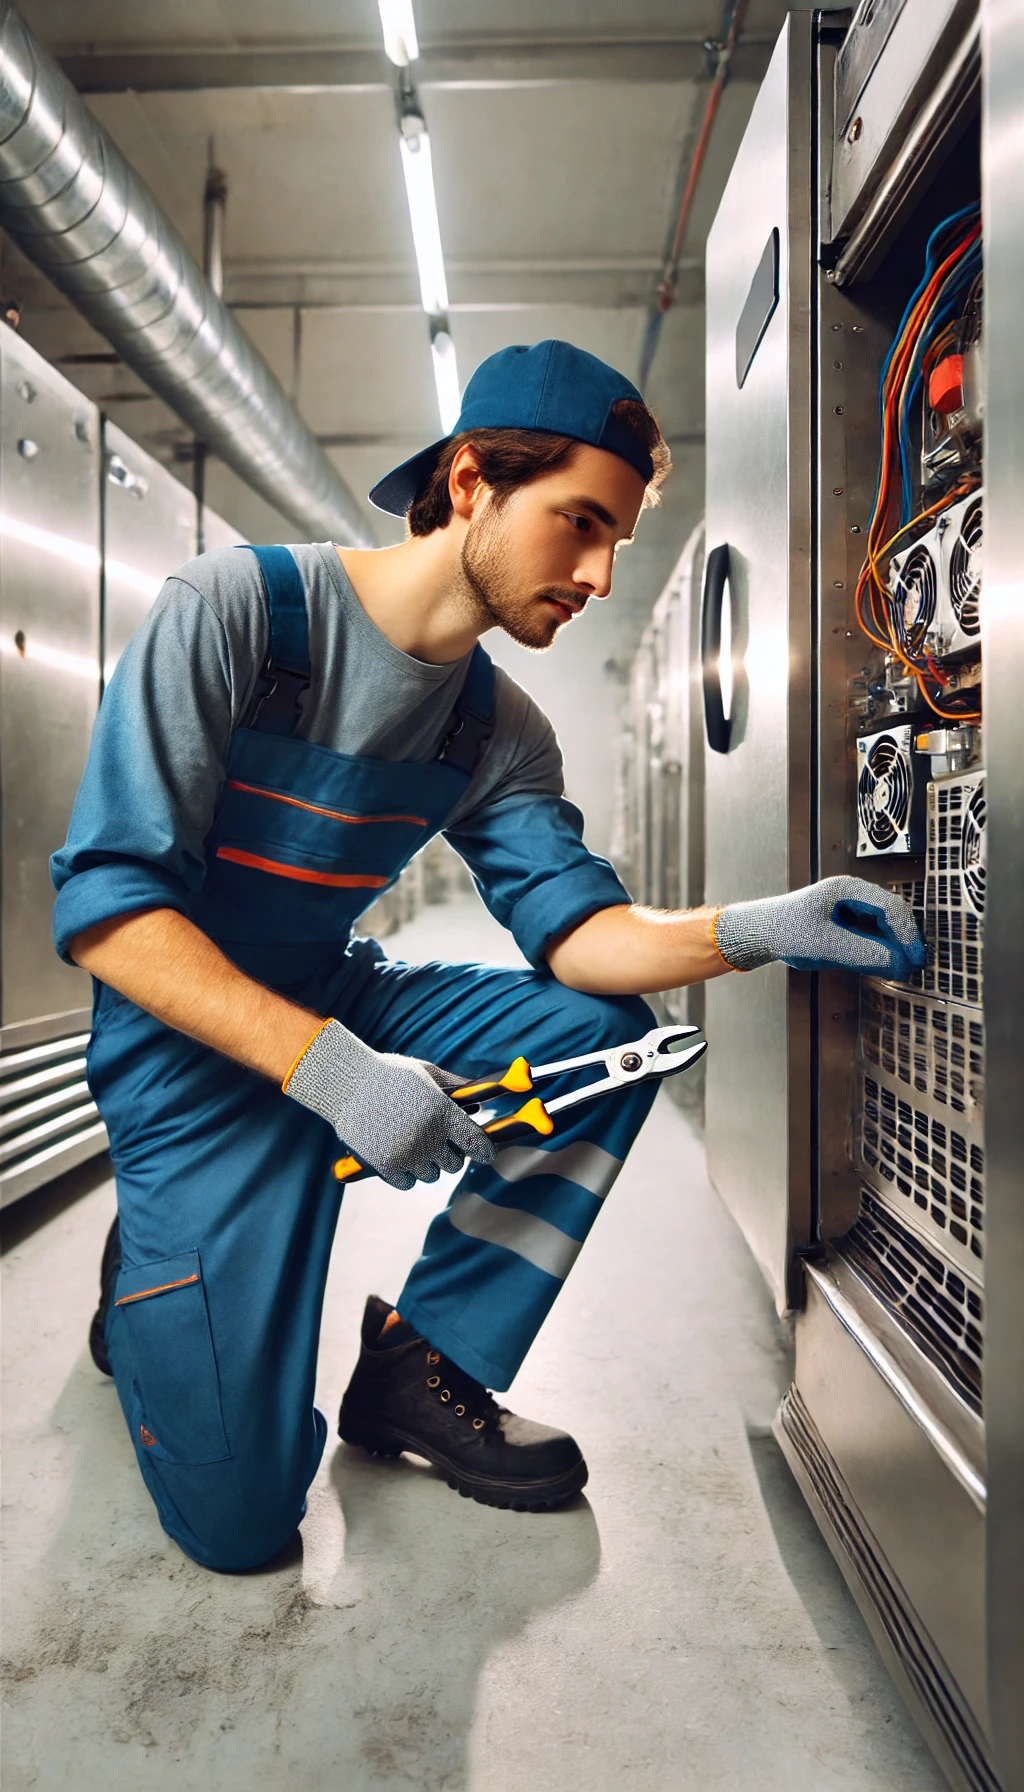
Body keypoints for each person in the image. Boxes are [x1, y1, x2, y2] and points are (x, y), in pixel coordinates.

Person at [52, 340, 924, 1572]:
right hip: (181, 1048)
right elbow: (110, 912)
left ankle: (427, 1361)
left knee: (604, 1039)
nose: (601, 574)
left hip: (334, 993)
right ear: (470, 482)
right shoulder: (238, 613)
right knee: (241, 1528)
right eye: (580, 522)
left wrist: (749, 928)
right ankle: (151, 1268)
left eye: (617, 538)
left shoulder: (493, 727)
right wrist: (329, 1072)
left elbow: (581, 938)